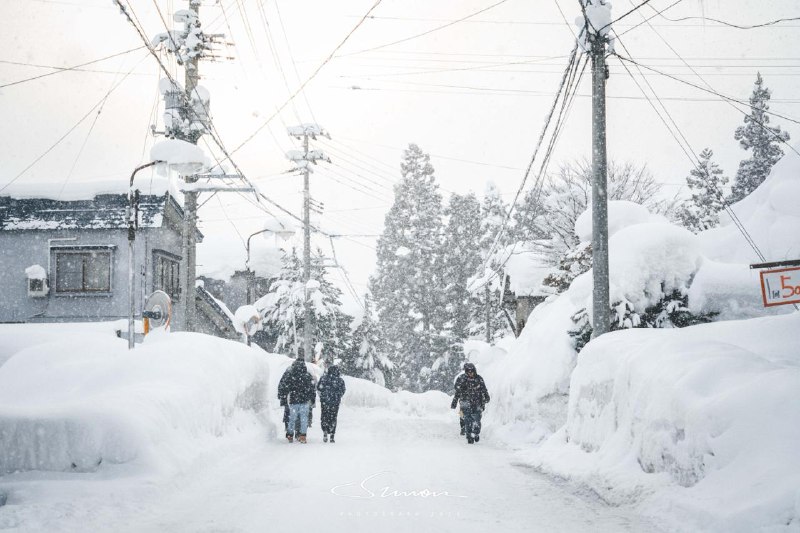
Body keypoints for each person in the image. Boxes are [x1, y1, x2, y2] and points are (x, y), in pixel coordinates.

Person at [277, 358, 316, 443]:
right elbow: (312, 389)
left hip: (293, 400)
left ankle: (290, 435)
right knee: (304, 419)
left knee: (292, 418)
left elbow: (286, 386)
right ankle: (302, 436)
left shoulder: (291, 374)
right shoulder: (307, 375)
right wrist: (312, 399)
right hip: (304, 401)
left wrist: (283, 397)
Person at [451, 362, 490, 444]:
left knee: (477, 418)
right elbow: (457, 391)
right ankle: (468, 434)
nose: (470, 373)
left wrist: (486, 397)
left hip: (477, 402)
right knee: (465, 418)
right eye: (468, 372)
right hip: (465, 402)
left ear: (474, 371)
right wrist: (454, 401)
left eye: (472, 371)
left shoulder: (479, 379)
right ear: (466, 372)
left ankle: (475, 432)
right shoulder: (461, 379)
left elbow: (484, 389)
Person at [317, 364, 346, 443]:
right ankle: (332, 434)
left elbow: (319, 388)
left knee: (324, 416)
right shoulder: (340, 380)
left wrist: (323, 396)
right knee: (333, 417)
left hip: (325, 402)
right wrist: (338, 396)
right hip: (335, 402)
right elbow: (343, 390)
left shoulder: (323, 378)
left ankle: (325, 431)